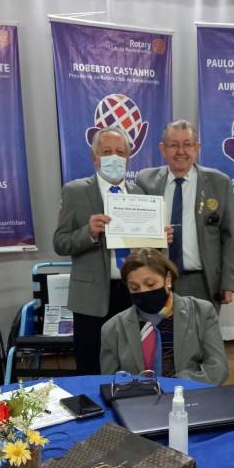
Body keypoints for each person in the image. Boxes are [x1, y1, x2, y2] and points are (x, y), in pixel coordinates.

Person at [53, 126, 171, 375]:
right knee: (91, 363)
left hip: (134, 292)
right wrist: (89, 232)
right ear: (94, 158)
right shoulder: (75, 191)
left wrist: (160, 238)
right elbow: (60, 243)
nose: (114, 157)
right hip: (92, 296)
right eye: (107, 152)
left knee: (134, 360)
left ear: (128, 157)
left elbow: (147, 249)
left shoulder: (139, 193)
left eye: (120, 151)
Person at [136, 119, 234, 309]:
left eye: (187, 145)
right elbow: (136, 229)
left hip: (203, 281)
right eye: (174, 145)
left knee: (201, 328)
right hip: (157, 278)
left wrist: (228, 283)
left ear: (196, 148)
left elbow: (229, 237)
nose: (181, 151)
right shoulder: (145, 181)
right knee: (159, 328)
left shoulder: (219, 183)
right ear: (163, 149)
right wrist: (153, 235)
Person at [100, 249, 229, 386]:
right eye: (134, 287)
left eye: (150, 284)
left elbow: (218, 369)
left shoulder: (201, 312)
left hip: (188, 395)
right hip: (138, 398)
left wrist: (173, 385)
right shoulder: (113, 328)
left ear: (168, 278)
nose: (143, 291)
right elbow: (110, 383)